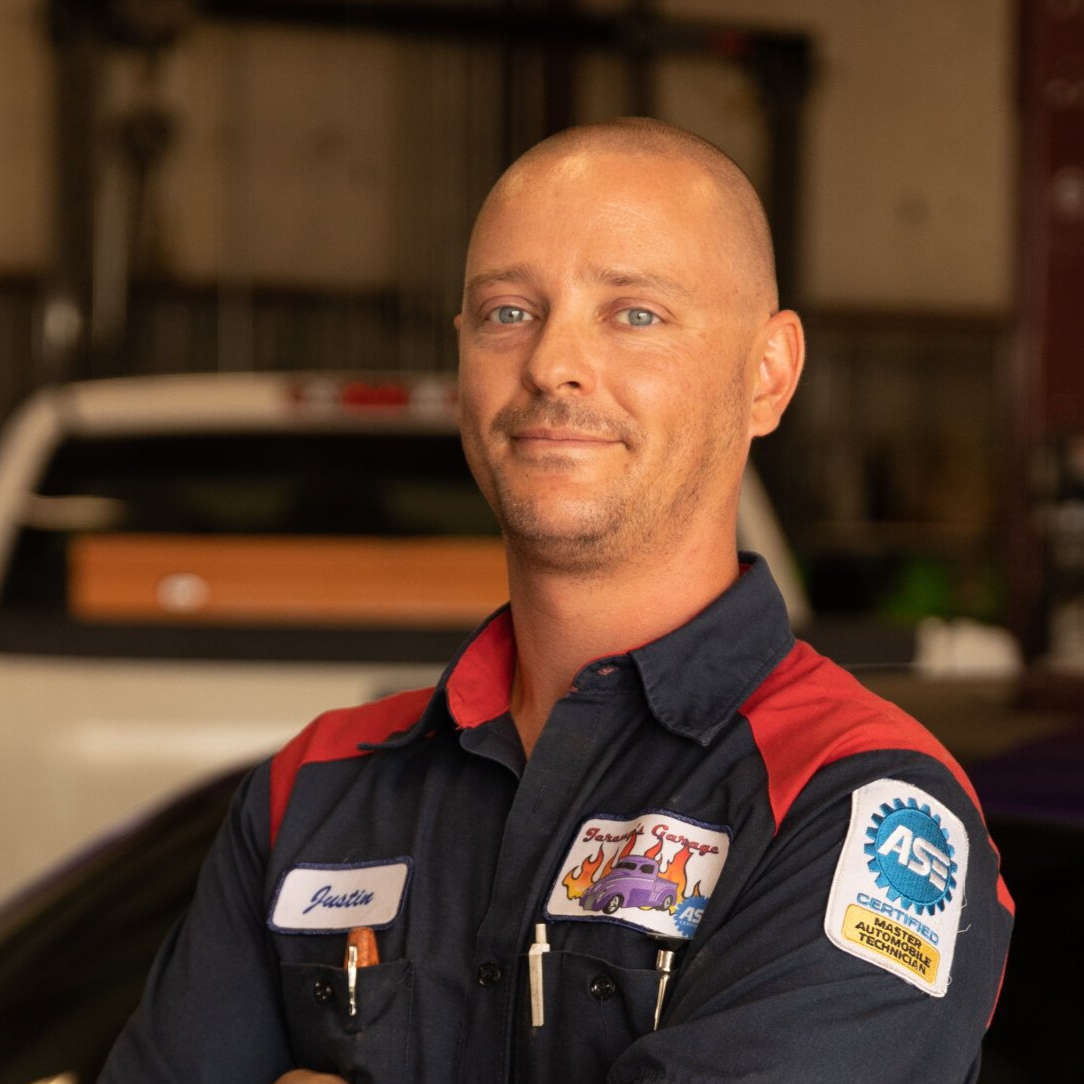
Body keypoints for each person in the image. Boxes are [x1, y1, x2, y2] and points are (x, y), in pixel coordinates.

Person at [98, 117, 1013, 1084]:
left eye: (635, 314)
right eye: (507, 311)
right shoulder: (312, 789)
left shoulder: (861, 806)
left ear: (768, 374)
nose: (549, 364)